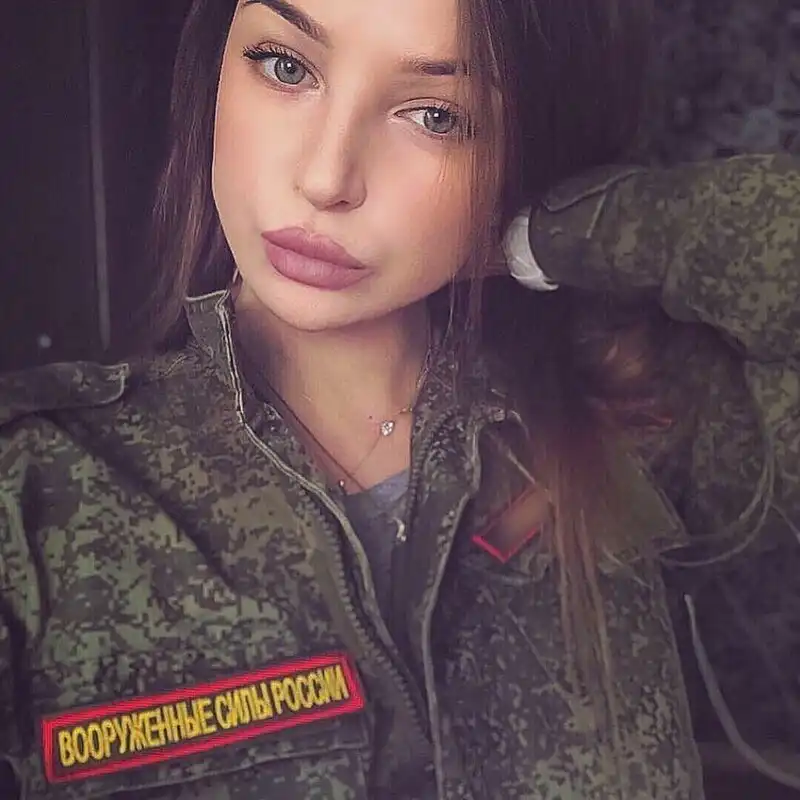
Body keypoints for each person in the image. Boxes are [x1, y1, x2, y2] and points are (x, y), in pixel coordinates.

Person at [0, 2, 797, 800]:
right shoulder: (33, 498)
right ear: (213, 72)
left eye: (436, 116)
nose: (326, 178)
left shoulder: (623, 422)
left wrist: (539, 235)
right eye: (286, 67)